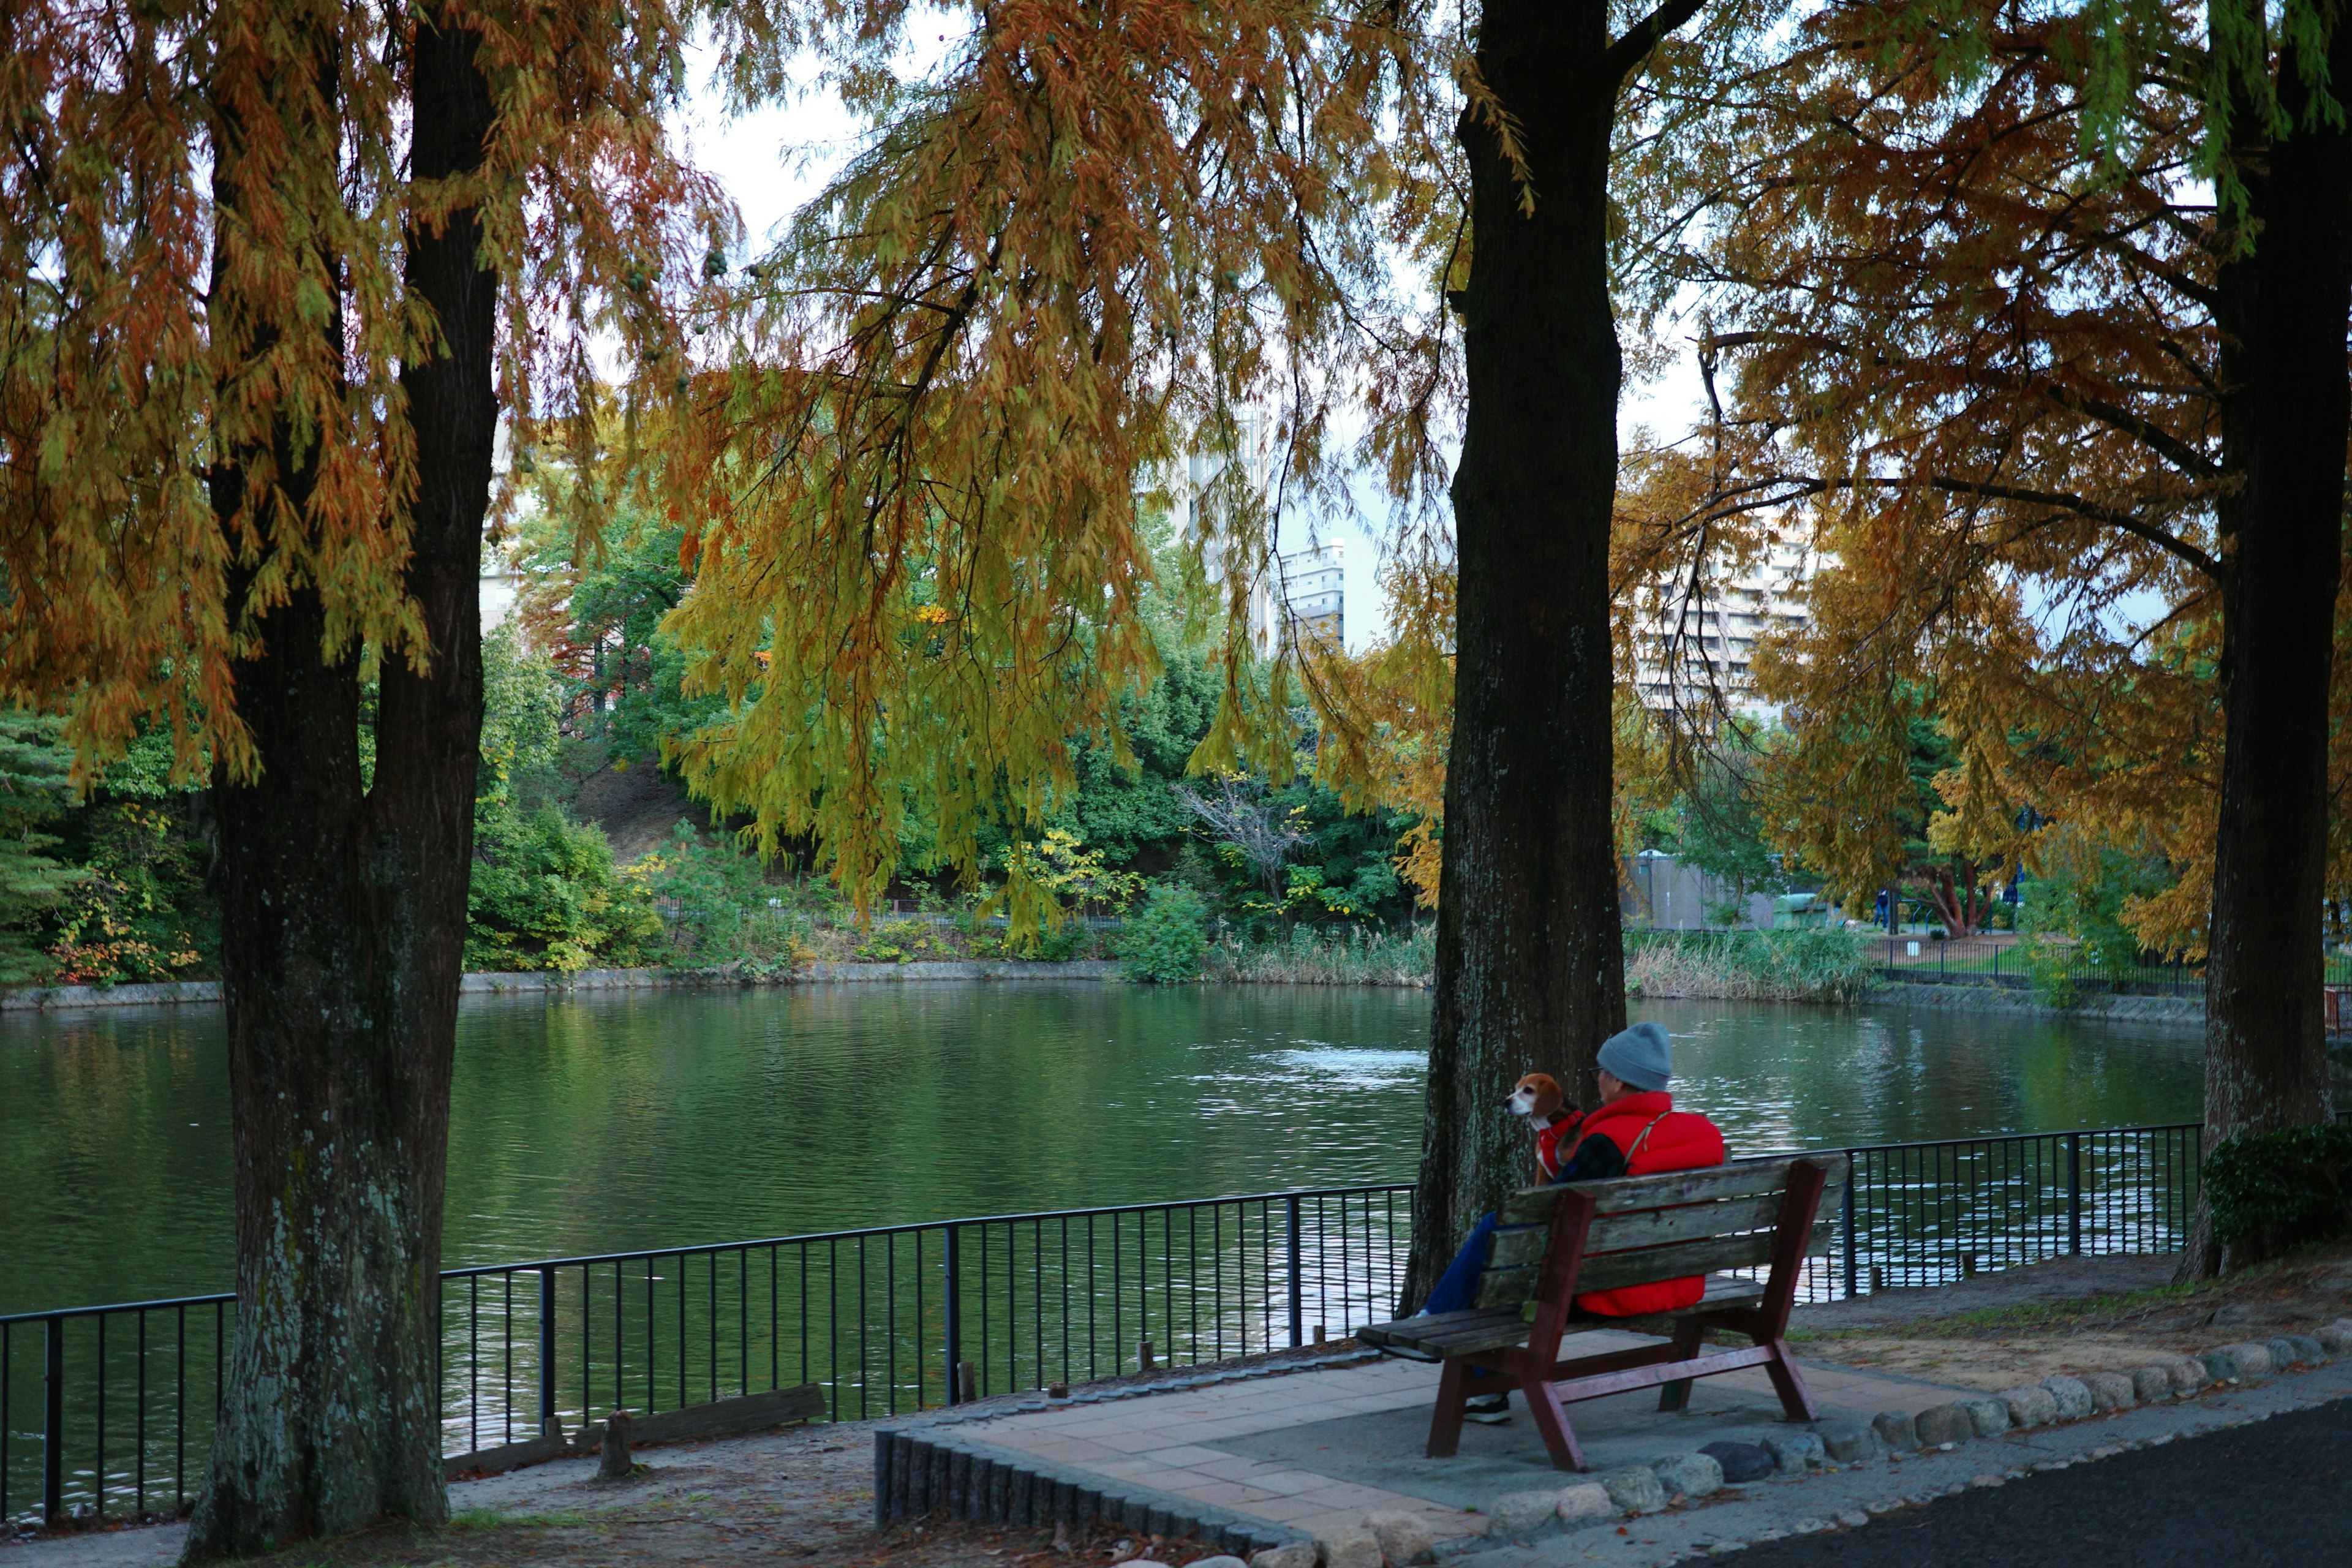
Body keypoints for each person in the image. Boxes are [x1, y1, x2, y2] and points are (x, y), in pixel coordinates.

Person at [1414, 1022, 1726, 1422]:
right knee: (1507, 1252)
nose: (1598, 1080)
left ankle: (1443, 1333)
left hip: (1612, 1288)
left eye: (1602, 1072)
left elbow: (1555, 1215)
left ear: (1616, 1081)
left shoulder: (1607, 1140)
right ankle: (1473, 1379)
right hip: (1681, 1279)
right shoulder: (1702, 1131)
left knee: (1502, 1237)